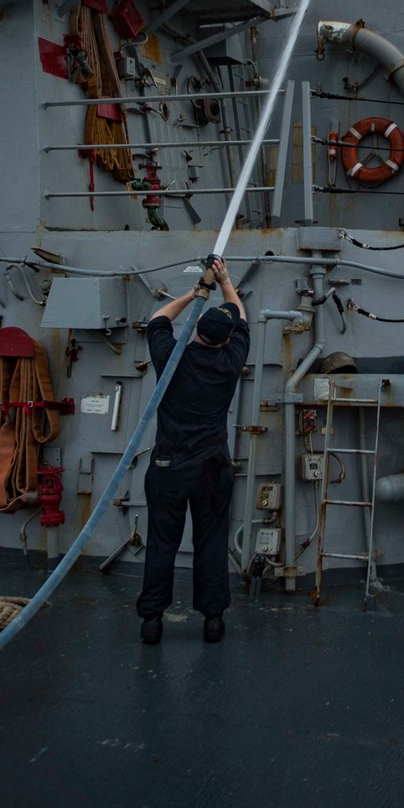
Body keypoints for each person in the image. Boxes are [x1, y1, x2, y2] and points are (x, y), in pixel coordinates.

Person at [136, 256, 249, 645]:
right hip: (212, 470)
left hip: (168, 467)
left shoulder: (170, 358)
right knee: (211, 543)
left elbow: (158, 321)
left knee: (162, 544)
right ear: (228, 339)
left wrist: (194, 292)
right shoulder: (231, 362)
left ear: (197, 329)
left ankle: (152, 619)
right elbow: (241, 318)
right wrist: (225, 282)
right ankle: (213, 619)